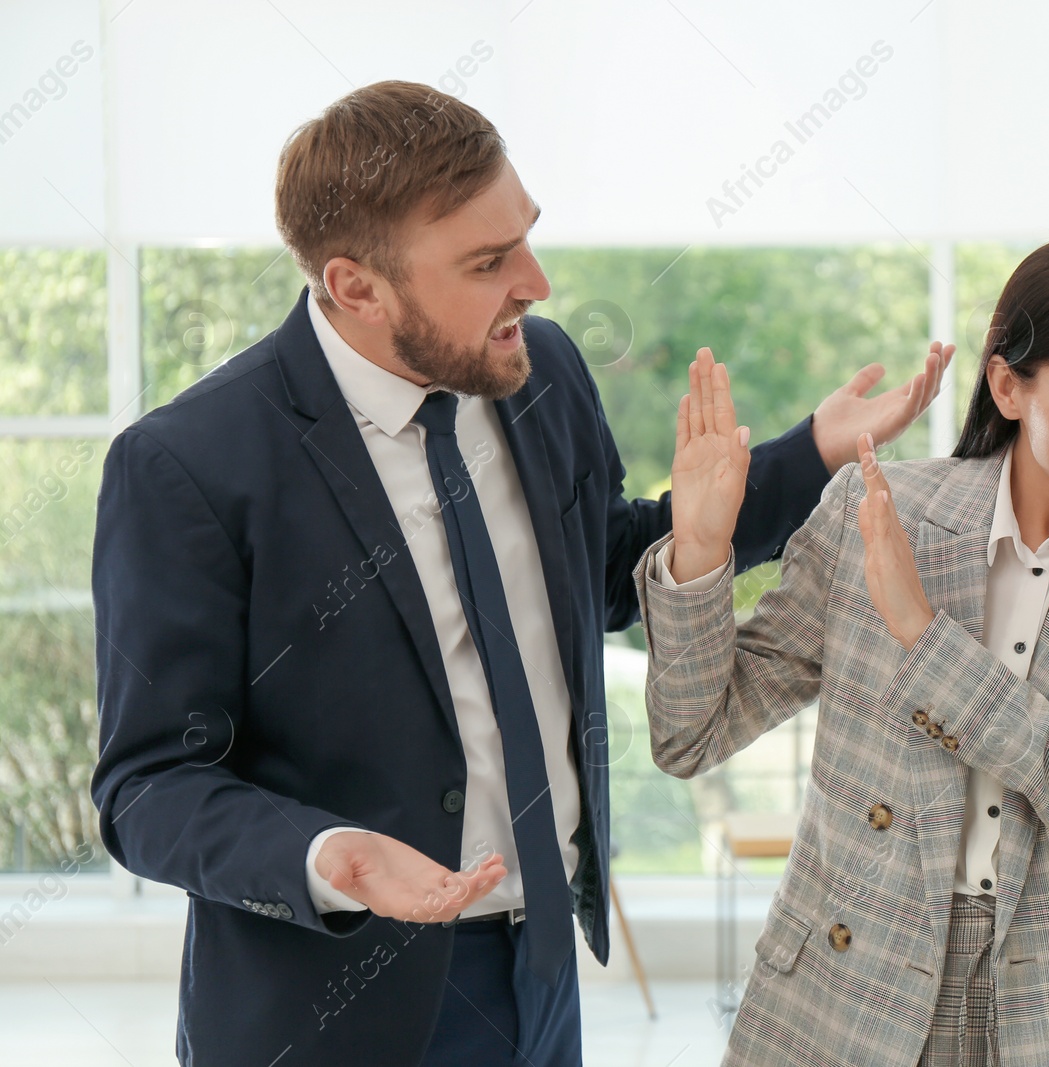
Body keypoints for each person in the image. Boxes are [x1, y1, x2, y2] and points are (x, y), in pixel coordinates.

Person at [89, 79, 952, 1066]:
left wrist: (811, 456)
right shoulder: (188, 462)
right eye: (488, 261)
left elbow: (600, 573)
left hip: (539, 973)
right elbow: (149, 783)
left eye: (525, 237)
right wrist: (329, 854)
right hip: (333, 1010)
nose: (535, 281)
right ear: (356, 286)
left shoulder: (537, 370)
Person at [634, 232, 1049, 1066]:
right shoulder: (879, 507)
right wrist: (700, 550)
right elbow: (691, 735)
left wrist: (924, 637)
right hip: (850, 984)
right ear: (1008, 384)